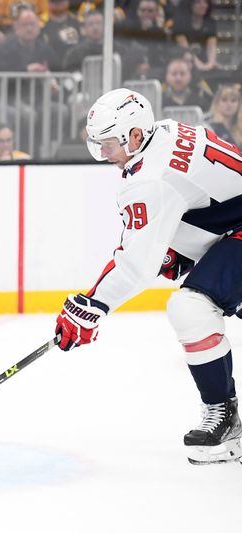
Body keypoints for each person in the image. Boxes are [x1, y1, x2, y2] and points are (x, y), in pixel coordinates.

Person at [55, 88, 242, 465]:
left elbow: (134, 265)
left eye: (108, 145)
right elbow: (206, 201)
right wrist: (174, 250)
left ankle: (225, 418)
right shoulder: (169, 131)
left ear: (135, 136)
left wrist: (93, 305)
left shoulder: (148, 179)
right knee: (194, 305)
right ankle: (228, 418)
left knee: (190, 308)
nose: (104, 154)